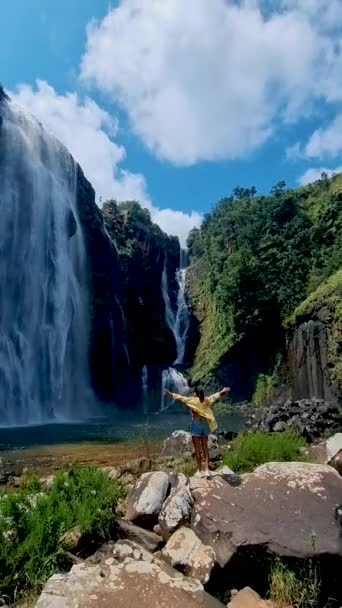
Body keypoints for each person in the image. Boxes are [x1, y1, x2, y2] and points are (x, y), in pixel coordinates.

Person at [164, 385, 230, 476]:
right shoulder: (207, 400)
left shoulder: (192, 400)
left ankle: (200, 471)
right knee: (205, 448)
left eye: (194, 392)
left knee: (197, 450)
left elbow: (180, 397)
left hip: (196, 426)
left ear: (195, 393)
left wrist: (169, 393)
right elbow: (216, 395)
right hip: (205, 425)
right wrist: (223, 390)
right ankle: (207, 470)